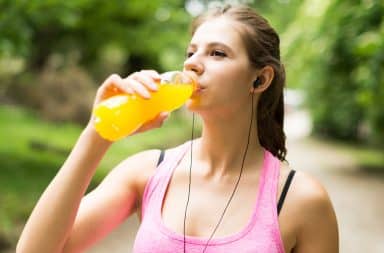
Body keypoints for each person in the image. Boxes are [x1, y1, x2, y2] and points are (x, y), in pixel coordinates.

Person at [17, 4, 338, 253]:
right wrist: (98, 133)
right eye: (191, 52)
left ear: (260, 79)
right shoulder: (148, 172)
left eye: (217, 53)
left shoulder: (301, 200)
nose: (192, 63)